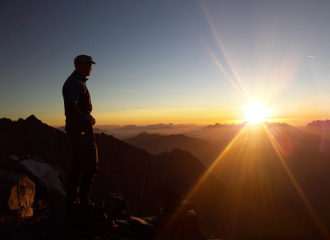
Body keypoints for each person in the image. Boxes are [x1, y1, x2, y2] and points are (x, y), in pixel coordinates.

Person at [62, 55, 99, 215]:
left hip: (76, 129)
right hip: (81, 131)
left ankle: (71, 202)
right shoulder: (74, 83)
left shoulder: (77, 82)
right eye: (86, 64)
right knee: (91, 165)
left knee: (78, 165)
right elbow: (71, 107)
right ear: (77, 65)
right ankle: (84, 202)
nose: (90, 67)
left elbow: (73, 107)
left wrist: (87, 117)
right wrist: (86, 119)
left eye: (90, 64)